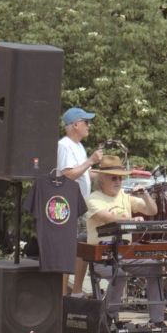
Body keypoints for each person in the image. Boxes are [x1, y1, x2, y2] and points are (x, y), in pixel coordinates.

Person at [85, 152, 166, 331]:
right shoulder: (93, 199)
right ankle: (108, 320)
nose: (118, 182)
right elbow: (108, 218)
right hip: (102, 256)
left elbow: (152, 211)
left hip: (125, 253)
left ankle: (157, 321)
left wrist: (144, 194)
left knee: (155, 266)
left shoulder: (124, 196)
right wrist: (131, 221)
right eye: (114, 178)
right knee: (119, 274)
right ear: (102, 179)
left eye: (121, 178)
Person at [57, 105, 105, 295]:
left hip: (80, 206)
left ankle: (76, 291)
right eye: (86, 122)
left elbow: (83, 174)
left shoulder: (78, 146)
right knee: (68, 250)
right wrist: (91, 161)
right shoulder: (64, 145)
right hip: (68, 206)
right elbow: (68, 174)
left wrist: (108, 173)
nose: (89, 126)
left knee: (82, 248)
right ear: (75, 124)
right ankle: (62, 295)